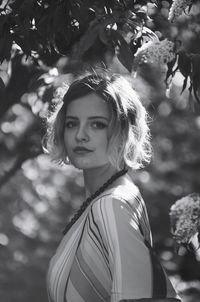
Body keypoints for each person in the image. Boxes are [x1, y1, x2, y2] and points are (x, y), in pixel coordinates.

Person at [45, 73, 181, 302]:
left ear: (124, 130)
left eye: (97, 124)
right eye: (72, 123)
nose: (80, 135)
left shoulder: (111, 204)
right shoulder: (111, 198)